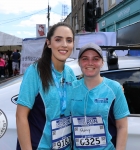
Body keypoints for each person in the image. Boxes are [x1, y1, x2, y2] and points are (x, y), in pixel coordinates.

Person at [16, 22, 76, 150]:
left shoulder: (70, 73)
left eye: (69, 40)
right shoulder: (35, 71)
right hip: (39, 146)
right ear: (49, 43)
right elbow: (21, 116)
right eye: (58, 39)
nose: (64, 44)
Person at [70, 43, 130, 150]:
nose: (90, 63)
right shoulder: (71, 88)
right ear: (79, 62)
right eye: (85, 59)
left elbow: (122, 127)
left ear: (102, 62)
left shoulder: (114, 88)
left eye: (95, 59)